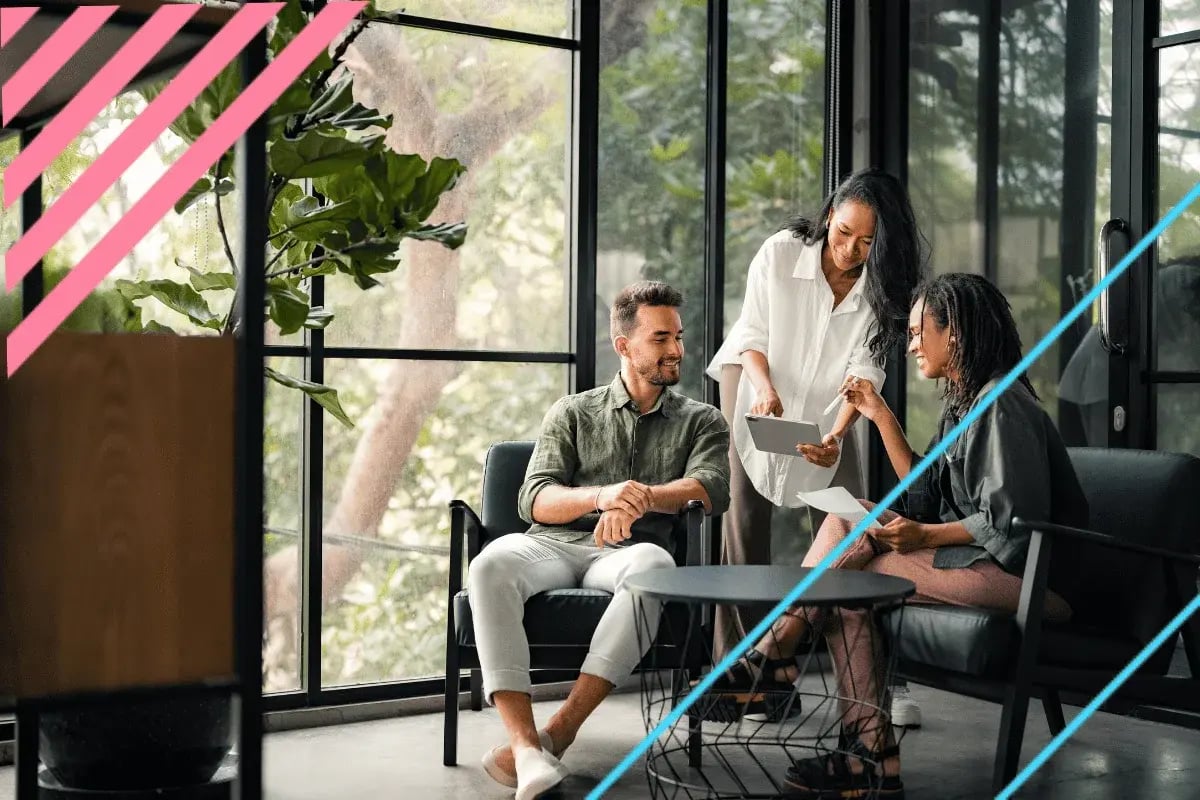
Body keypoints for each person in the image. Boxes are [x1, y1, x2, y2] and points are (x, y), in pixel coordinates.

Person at [708, 273, 1087, 799]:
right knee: (849, 553)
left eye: (916, 333)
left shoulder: (1002, 403)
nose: (909, 346)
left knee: (848, 565)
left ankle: (778, 662)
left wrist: (926, 537)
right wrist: (880, 416)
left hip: (1034, 583)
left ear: (952, 332)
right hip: (983, 567)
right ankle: (864, 754)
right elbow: (923, 492)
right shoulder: (966, 402)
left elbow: (1011, 524)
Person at [467, 281, 731, 800]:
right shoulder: (572, 411)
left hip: (631, 554)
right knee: (488, 565)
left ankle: (558, 735)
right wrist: (603, 496)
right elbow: (534, 499)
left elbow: (711, 488)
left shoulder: (703, 419)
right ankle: (524, 749)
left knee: (655, 564)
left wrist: (639, 499)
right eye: (660, 338)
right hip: (553, 545)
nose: (676, 349)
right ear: (624, 345)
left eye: (678, 336)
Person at [707, 168, 925, 723]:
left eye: (868, 242)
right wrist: (764, 390)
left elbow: (864, 371)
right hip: (758, 386)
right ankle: (745, 677)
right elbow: (751, 335)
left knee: (850, 527)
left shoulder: (884, 290)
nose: (851, 250)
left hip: (835, 407)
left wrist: (835, 436)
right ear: (830, 214)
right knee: (743, 528)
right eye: (844, 232)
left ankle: (870, 686)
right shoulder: (781, 253)